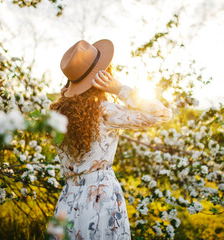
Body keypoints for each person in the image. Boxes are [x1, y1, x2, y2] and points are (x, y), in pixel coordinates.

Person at [50, 39, 172, 240]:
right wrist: (119, 89)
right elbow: (161, 114)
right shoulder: (103, 112)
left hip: (68, 200)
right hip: (100, 199)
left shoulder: (58, 114)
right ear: (101, 77)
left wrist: (68, 94)